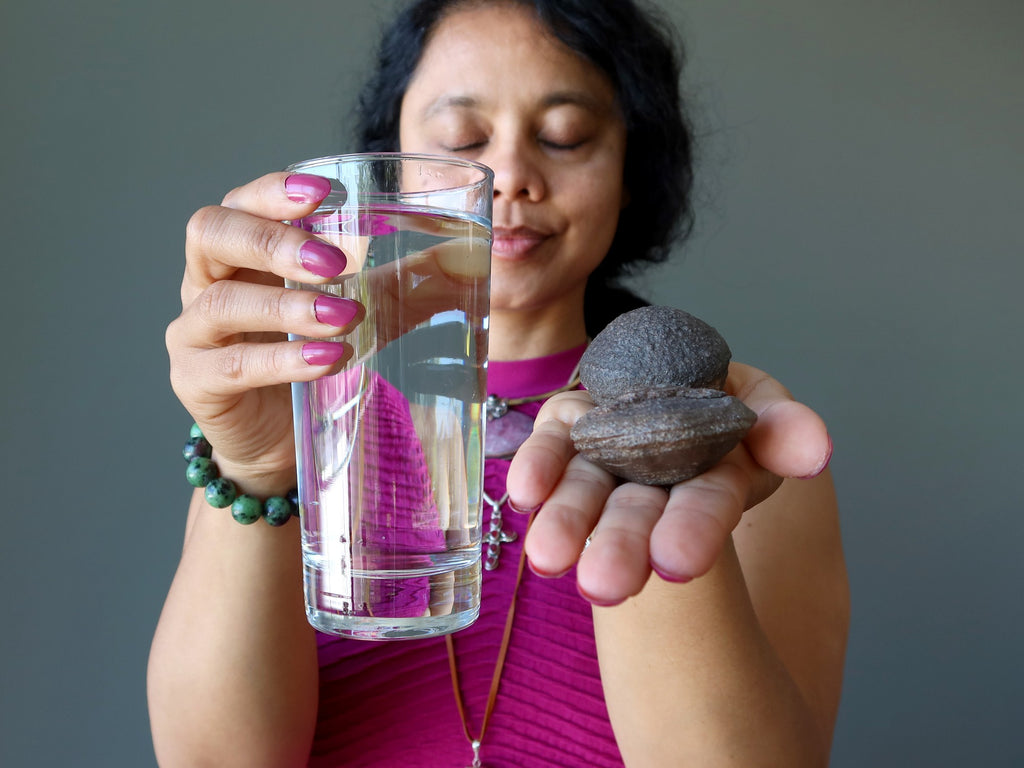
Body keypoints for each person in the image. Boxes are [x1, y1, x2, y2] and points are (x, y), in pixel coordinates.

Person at [148, 0, 850, 765]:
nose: (510, 175)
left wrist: (663, 464)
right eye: (462, 139)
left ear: (629, 173)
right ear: (391, 168)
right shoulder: (311, 426)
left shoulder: (737, 445)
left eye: (565, 137)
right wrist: (255, 470)